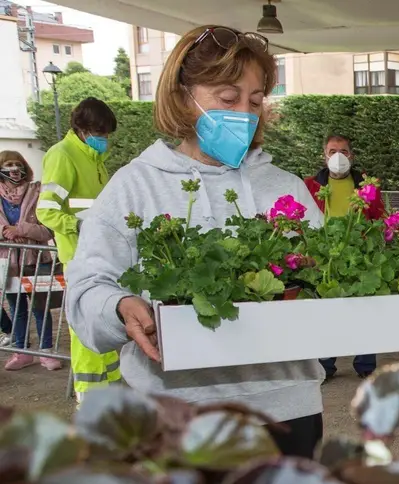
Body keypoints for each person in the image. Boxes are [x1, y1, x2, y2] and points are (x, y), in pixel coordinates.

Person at [65, 25, 326, 458]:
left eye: (256, 100)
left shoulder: (288, 189)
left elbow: (328, 282)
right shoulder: (135, 186)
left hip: (286, 410)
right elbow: (87, 288)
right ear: (183, 96)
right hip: (173, 414)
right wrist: (119, 306)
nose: (244, 112)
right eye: (227, 98)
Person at [36, 97, 121, 397]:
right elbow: (45, 211)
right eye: (100, 132)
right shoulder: (62, 155)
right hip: (78, 257)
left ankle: (108, 388)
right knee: (86, 328)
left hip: (102, 256)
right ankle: (88, 394)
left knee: (105, 323)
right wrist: (79, 225)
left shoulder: (94, 158)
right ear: (82, 128)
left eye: (107, 134)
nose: (104, 139)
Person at [303, 133, 383, 381]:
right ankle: (326, 364)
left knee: (364, 308)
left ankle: (365, 363)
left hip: (358, 254)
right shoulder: (310, 185)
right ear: (324, 156)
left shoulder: (366, 185)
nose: (338, 156)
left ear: (352, 156)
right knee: (326, 311)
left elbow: (378, 217)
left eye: (344, 151)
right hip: (324, 256)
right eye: (332, 151)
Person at [0, 151, 62, 371]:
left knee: (40, 308)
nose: (14, 169)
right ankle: (22, 351)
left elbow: (49, 230)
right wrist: (4, 231)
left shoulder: (39, 191)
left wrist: (21, 230)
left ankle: (45, 352)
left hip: (37, 259)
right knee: (17, 309)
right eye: (8, 164)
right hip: (8, 262)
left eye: (18, 164)